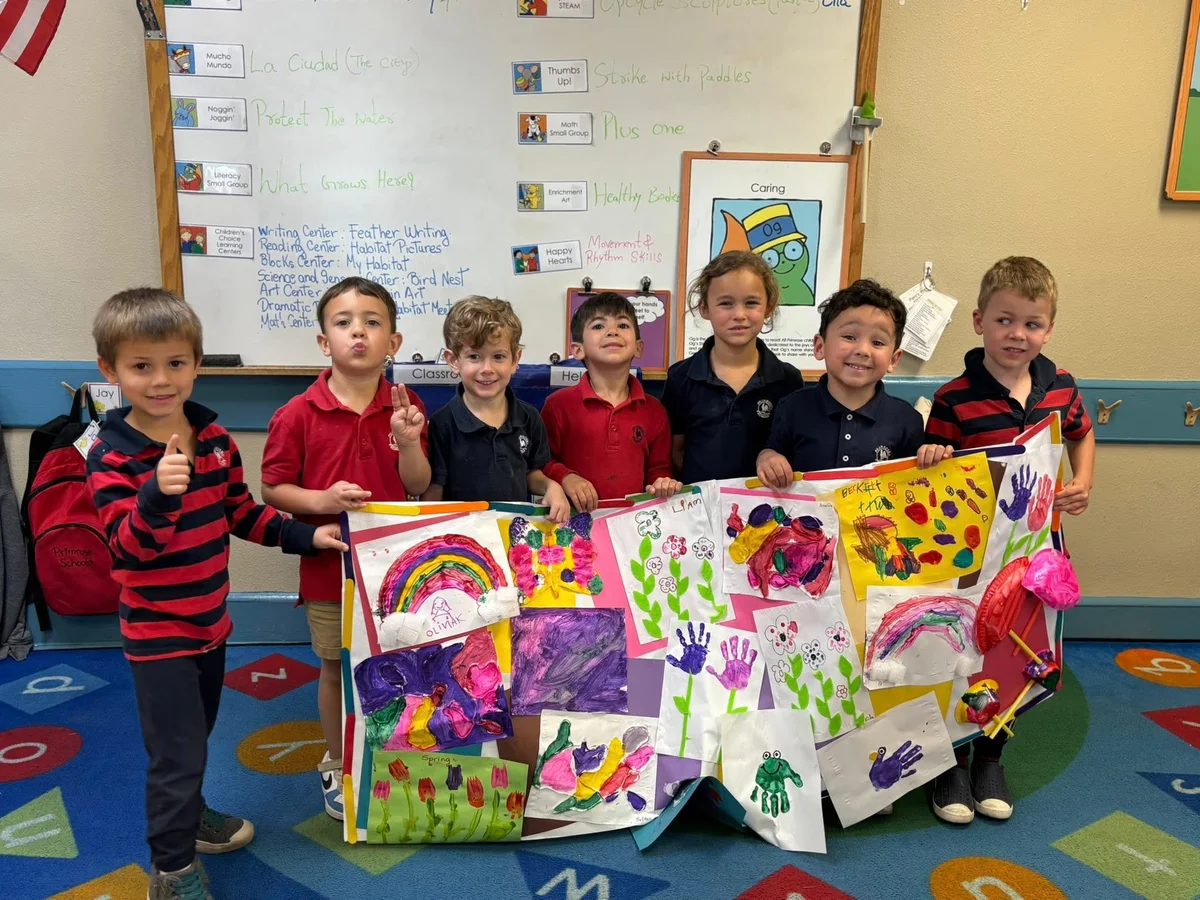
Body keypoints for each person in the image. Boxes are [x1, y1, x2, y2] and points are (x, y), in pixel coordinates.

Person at [86, 288, 345, 900]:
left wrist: (307, 536)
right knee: (174, 755)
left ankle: (191, 815)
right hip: (158, 635)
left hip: (210, 625)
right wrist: (156, 494)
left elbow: (242, 513)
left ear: (197, 363)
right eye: (141, 366)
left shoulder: (215, 438)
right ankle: (172, 873)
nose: (160, 380)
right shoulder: (109, 455)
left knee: (195, 740)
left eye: (175, 363)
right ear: (110, 370)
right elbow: (128, 549)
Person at [918, 256, 1095, 825]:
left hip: (1034, 554)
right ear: (979, 322)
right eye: (1004, 320)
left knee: (1019, 656)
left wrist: (1083, 480)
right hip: (969, 557)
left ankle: (991, 758)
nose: (1017, 334)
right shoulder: (953, 397)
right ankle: (948, 763)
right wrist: (934, 455)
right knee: (958, 655)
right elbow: (930, 469)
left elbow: (1082, 434)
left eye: (1032, 323)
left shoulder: (1061, 386)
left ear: (1049, 329)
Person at [260, 277, 430, 821]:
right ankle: (336, 759)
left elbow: (418, 484)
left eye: (372, 322)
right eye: (343, 322)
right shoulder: (297, 413)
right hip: (328, 566)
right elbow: (273, 488)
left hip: (395, 566)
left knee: (396, 660)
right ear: (323, 341)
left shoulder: (407, 405)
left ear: (393, 343)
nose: (358, 332)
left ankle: (395, 751)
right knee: (335, 665)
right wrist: (323, 499)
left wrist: (408, 442)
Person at [756, 279, 923, 485]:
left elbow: (915, 485)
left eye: (877, 342)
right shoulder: (792, 408)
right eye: (849, 337)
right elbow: (773, 452)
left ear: (893, 360)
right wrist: (767, 458)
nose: (862, 350)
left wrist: (933, 459)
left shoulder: (907, 420)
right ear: (820, 347)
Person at [422, 296, 569, 523]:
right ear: (453, 361)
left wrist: (551, 486)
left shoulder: (529, 418)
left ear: (515, 359)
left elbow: (530, 473)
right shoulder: (442, 424)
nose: (487, 369)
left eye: (498, 356)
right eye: (474, 356)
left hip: (513, 533)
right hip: (460, 536)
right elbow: (434, 490)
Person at [662, 250, 804, 484]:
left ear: (768, 308)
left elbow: (789, 448)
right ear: (704, 308)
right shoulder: (680, 377)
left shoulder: (788, 380)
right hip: (701, 501)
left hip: (766, 503)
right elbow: (676, 451)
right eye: (726, 303)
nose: (739, 314)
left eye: (751, 303)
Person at [541, 292, 681, 508]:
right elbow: (542, 462)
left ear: (638, 347)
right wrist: (566, 478)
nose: (612, 331)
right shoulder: (558, 405)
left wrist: (662, 483)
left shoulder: (654, 410)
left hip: (632, 521)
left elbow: (659, 469)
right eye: (598, 326)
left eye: (623, 325)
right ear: (578, 349)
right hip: (574, 521)